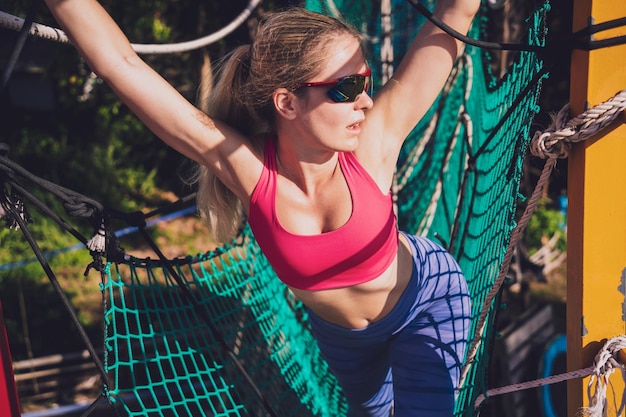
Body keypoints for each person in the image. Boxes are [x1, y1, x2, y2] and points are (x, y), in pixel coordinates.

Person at [44, 0, 479, 415]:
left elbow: (454, 14)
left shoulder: (373, 142)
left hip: (426, 301)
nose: (365, 100)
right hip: (342, 340)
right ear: (287, 102)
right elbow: (121, 66)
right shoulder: (250, 172)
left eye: (364, 82)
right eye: (346, 88)